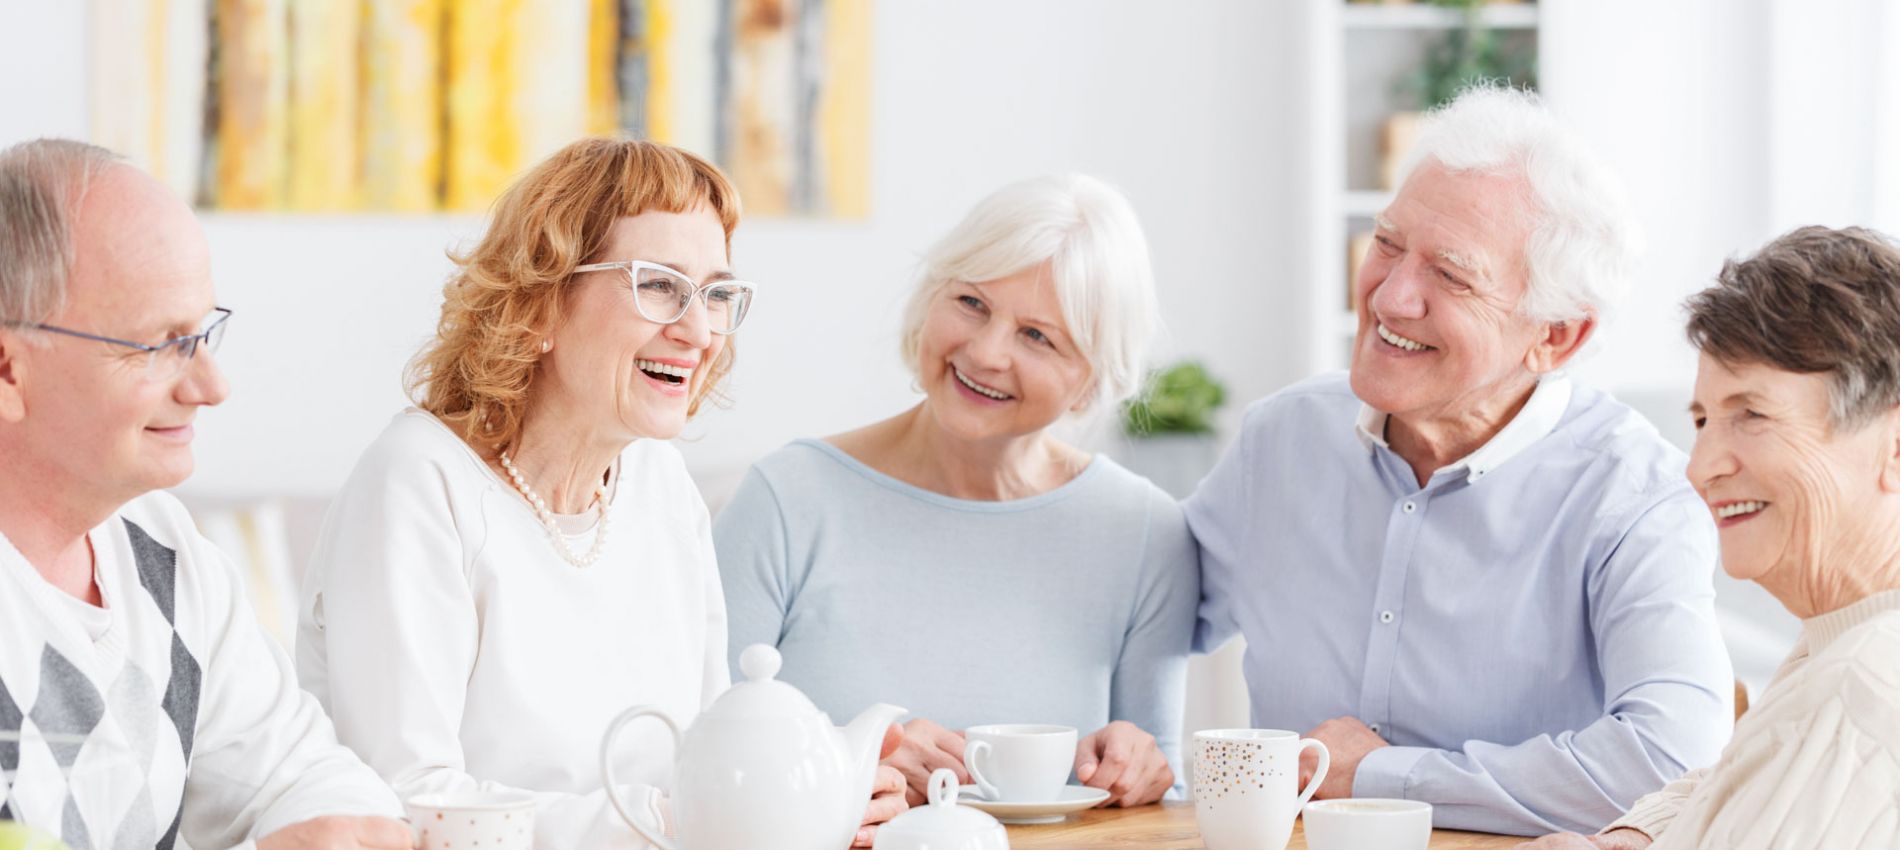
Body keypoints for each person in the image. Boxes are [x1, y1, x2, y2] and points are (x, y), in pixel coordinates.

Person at [294, 137, 904, 849]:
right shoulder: (420, 482)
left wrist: (807, 787)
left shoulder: (659, 483)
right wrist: (691, 822)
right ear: (541, 304)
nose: (699, 331)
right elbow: (409, 803)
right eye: (659, 284)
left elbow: (700, 760)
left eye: (715, 293)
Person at [1184, 86, 1733, 835]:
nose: (1391, 295)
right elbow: (1139, 605)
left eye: (1451, 274)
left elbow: (1673, 760)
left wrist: (1383, 777)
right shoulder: (1280, 441)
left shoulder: (1636, 498)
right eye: (1386, 243)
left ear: (1557, 338)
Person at [716, 174, 1198, 808]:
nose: (986, 352)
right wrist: (854, 754)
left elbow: (1158, 799)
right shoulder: (786, 499)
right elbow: (695, 752)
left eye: (1038, 336)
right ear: (930, 297)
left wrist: (1143, 770)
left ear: (1092, 380)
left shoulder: (1146, 533)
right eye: (971, 303)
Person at [0, 139, 406, 849]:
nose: (210, 388)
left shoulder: (165, 549)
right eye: (159, 345)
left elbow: (308, 779)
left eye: (203, 333)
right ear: (8, 368)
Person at [1518, 226, 1900, 849]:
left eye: (1751, 414)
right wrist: (1635, 838)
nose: (1700, 466)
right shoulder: (1839, 641)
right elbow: (1739, 780)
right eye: (1702, 420)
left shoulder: (1860, 691)